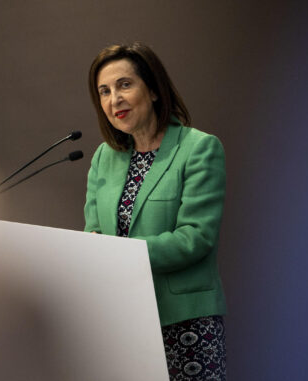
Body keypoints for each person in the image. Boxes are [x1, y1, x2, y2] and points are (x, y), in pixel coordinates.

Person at [84, 42, 228, 380]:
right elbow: (93, 235)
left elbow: (196, 237)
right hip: (123, 321)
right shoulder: (103, 158)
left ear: (153, 90)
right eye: (104, 91)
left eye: (124, 84)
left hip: (186, 322)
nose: (113, 99)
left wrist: (120, 254)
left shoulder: (199, 149)